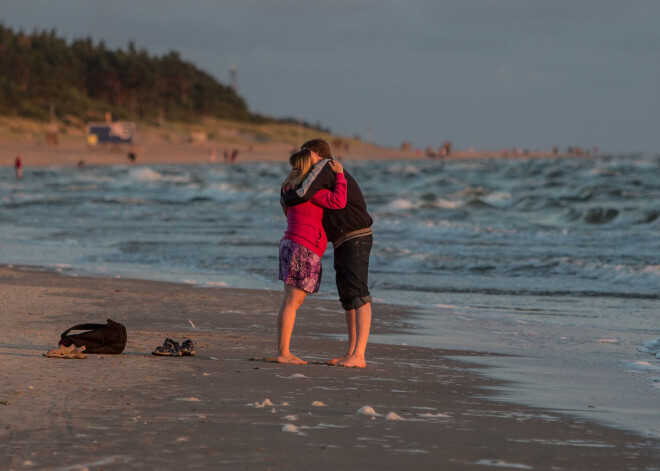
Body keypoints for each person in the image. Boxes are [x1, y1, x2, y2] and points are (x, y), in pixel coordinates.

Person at [281, 139, 373, 368]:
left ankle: (358, 354)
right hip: (337, 240)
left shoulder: (324, 169)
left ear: (313, 154)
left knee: (358, 294)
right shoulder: (314, 183)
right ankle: (352, 353)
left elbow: (336, 201)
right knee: (348, 298)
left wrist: (339, 175)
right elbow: (318, 198)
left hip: (354, 237)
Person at [277, 149, 346, 364]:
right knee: (292, 302)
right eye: (316, 158)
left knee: (288, 301)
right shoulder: (311, 191)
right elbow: (338, 201)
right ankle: (284, 353)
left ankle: (283, 351)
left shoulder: (289, 187)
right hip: (303, 246)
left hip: (290, 242)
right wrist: (341, 175)